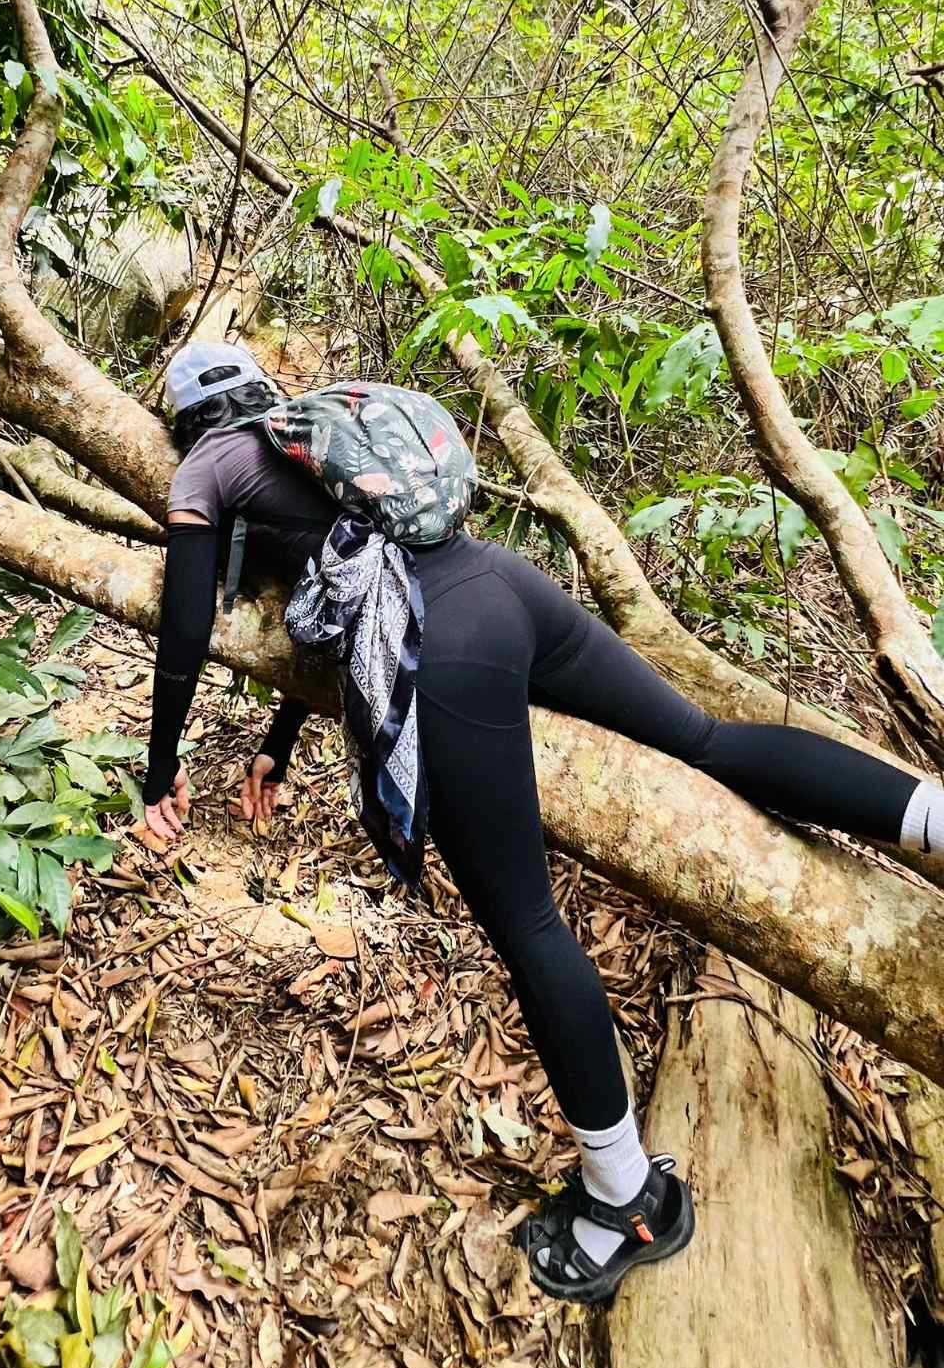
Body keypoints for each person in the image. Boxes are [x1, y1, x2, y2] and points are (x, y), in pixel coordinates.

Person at [143, 340, 944, 1304]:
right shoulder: (307, 435)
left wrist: (160, 769)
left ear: (183, 420)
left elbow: (188, 627)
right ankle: (931, 815)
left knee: (527, 924)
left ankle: (627, 1202)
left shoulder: (204, 466)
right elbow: (337, 579)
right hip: (500, 583)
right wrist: (278, 745)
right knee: (707, 738)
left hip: (446, 646)